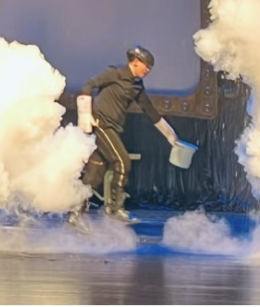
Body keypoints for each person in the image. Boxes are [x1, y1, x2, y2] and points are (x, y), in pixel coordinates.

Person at [73, 46, 180, 221]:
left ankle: (76, 216)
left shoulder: (137, 85)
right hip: (101, 124)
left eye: (150, 67)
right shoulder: (115, 73)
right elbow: (88, 85)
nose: (148, 70)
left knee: (95, 172)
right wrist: (85, 114)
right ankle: (115, 208)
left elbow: (149, 110)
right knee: (122, 161)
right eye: (146, 66)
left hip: (113, 128)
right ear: (136, 62)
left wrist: (170, 134)